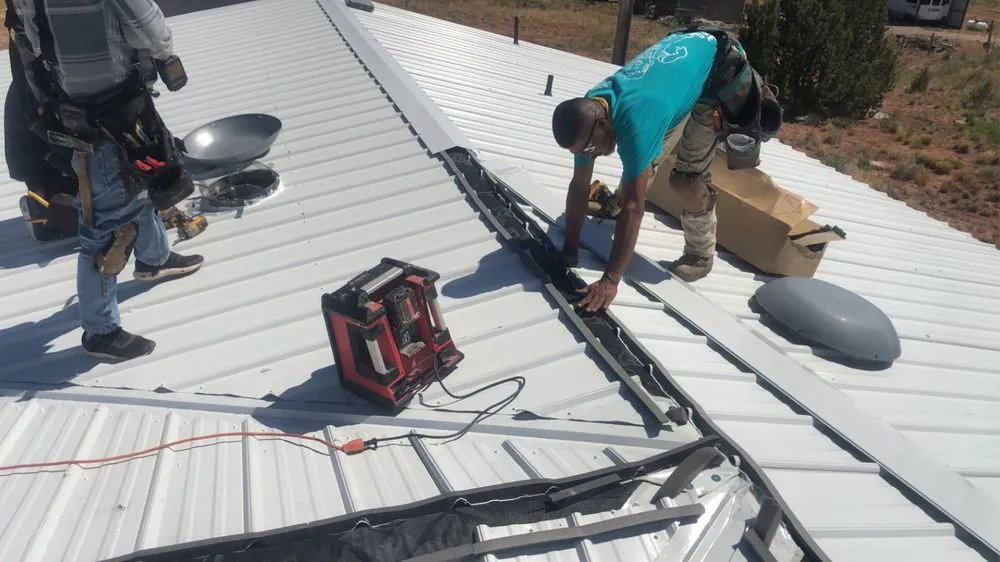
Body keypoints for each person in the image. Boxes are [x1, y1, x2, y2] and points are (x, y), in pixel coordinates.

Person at [8, 0, 204, 362]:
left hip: (76, 110)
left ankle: (154, 258)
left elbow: (33, 43)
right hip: (116, 108)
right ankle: (101, 332)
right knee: (105, 229)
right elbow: (148, 24)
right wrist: (164, 55)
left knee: (141, 184)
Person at [551, 26, 781, 312]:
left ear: (601, 123)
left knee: (687, 180)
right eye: (583, 152)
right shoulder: (589, 110)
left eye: (590, 149)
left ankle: (700, 252)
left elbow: (636, 207)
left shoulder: (636, 122)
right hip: (679, 76)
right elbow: (579, 183)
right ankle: (616, 208)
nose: (590, 155)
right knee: (642, 167)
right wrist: (570, 247)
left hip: (715, 74)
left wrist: (610, 280)